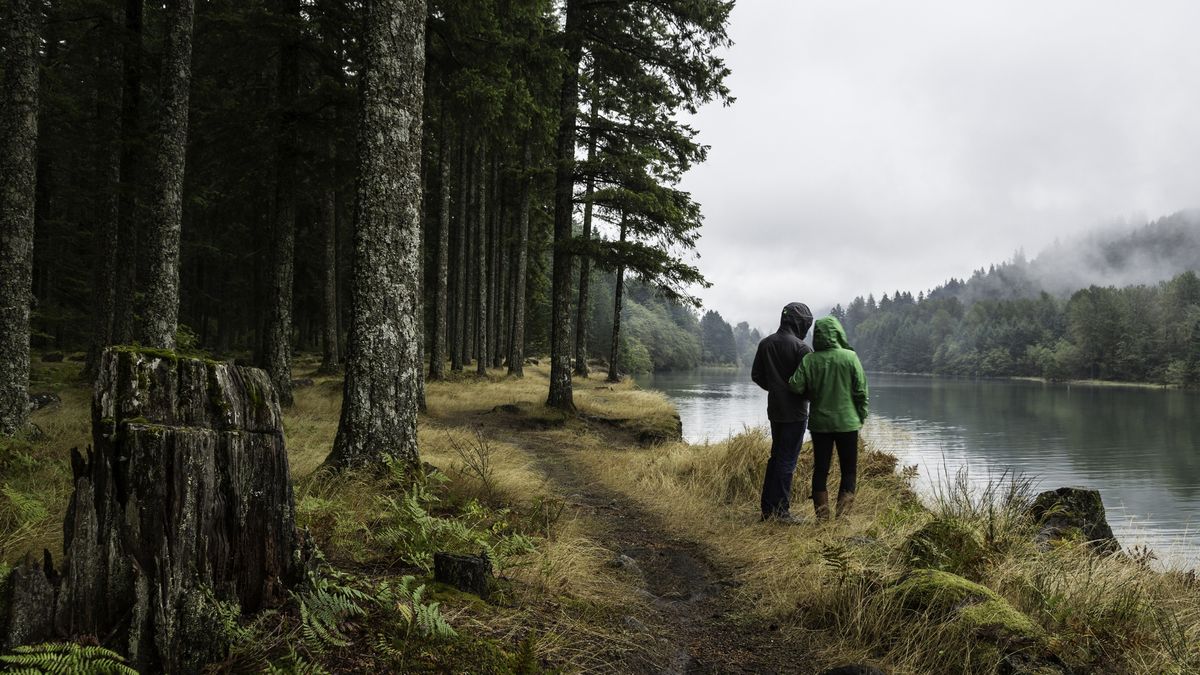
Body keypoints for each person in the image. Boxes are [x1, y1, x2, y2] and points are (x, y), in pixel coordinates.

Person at [787, 316, 868, 521]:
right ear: (839, 333)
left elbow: (795, 385)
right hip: (848, 424)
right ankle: (841, 521)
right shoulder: (850, 357)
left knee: (821, 469)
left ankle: (822, 519)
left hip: (820, 424)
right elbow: (861, 392)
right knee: (848, 470)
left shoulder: (810, 360)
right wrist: (861, 416)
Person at [751, 302, 814, 523]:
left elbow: (756, 375)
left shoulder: (766, 343)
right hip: (796, 413)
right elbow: (811, 384)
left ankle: (767, 510)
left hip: (775, 409)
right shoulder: (802, 349)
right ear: (800, 322)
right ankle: (781, 512)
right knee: (787, 461)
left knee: (776, 457)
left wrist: (775, 389)